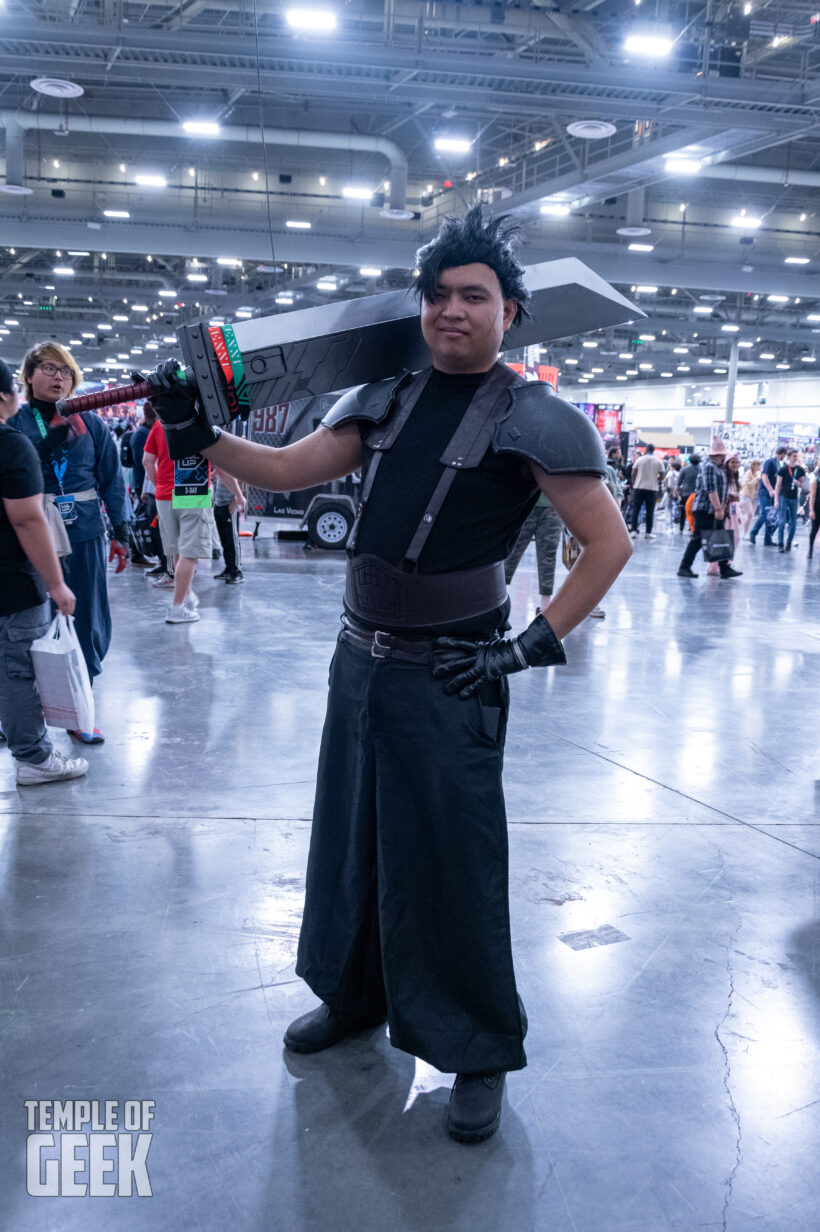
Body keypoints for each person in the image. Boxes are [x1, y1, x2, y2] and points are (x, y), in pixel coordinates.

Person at [147, 204, 633, 1144]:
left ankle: (479, 1047)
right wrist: (198, 434)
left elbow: (606, 545)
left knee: (453, 864)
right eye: (439, 295)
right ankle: (354, 996)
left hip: (453, 674)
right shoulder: (386, 397)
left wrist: (527, 644)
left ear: (511, 312)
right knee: (353, 838)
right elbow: (286, 470)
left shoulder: (537, 417)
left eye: (474, 297)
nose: (452, 311)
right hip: (357, 662)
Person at [10, 342, 132, 744]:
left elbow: (112, 480)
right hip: (28, 535)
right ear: (29, 376)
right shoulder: (16, 425)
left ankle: (81, 709)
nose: (58, 376)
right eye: (48, 368)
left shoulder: (92, 424)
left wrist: (122, 531)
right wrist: (49, 442)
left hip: (83, 532)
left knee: (88, 618)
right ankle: (18, 715)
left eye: (65, 371)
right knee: (22, 624)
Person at [0, 358, 88, 785]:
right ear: (8, 395)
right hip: (13, 581)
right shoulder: (10, 442)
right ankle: (34, 758)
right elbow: (27, 520)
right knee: (18, 670)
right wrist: (56, 583)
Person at [142, 416, 217, 622]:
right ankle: (177, 608)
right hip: (194, 491)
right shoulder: (204, 421)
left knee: (178, 551)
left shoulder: (160, 423)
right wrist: (238, 493)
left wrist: (160, 486)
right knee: (190, 552)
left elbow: (147, 461)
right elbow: (220, 461)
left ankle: (186, 594)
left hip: (164, 495)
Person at [677, 436, 742, 580]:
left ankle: (724, 568)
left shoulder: (715, 468)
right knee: (699, 539)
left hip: (711, 508)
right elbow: (711, 489)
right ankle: (684, 567)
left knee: (720, 537)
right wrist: (718, 508)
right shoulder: (710, 467)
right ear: (718, 455)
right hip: (706, 509)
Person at [213, 462, 247, 584]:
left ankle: (237, 571)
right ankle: (229, 568)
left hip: (229, 505)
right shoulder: (221, 460)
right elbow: (218, 473)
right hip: (219, 504)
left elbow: (241, 483)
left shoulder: (236, 463)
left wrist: (234, 504)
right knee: (225, 541)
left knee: (233, 540)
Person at [749, 445, 787, 546]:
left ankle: (768, 539)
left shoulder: (777, 463)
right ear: (782, 454)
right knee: (765, 514)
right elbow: (764, 476)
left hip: (772, 493)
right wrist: (770, 489)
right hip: (765, 493)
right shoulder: (770, 462)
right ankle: (753, 532)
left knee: (772, 517)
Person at [629, 444, 664, 539]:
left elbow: (633, 473)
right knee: (650, 511)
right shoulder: (658, 461)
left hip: (638, 488)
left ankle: (633, 531)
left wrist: (634, 484)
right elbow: (661, 476)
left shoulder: (639, 460)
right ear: (653, 450)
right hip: (652, 489)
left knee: (636, 510)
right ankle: (648, 532)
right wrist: (655, 478)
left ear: (646, 449)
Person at [774, 447, 805, 553]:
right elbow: (778, 485)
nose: (795, 458)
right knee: (782, 521)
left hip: (793, 498)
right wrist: (776, 500)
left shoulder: (800, 470)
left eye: (796, 456)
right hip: (783, 497)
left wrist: (799, 484)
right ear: (789, 457)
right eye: (793, 456)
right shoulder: (783, 469)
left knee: (793, 522)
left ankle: (788, 542)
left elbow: (803, 485)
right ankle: (780, 543)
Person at [676, 453, 700, 533]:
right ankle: (692, 528)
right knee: (695, 512)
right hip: (697, 494)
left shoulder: (684, 469)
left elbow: (679, 482)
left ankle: (681, 528)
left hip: (685, 493)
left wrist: (677, 490)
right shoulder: (702, 469)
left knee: (683, 511)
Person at [739, 459, 761, 537]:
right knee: (750, 514)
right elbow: (749, 485)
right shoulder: (748, 474)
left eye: (758, 464)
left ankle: (746, 532)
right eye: (755, 464)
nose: (757, 466)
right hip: (746, 495)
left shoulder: (759, 473)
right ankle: (744, 533)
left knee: (750, 516)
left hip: (754, 497)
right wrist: (757, 478)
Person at [808, 463, 820, 560]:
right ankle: (810, 549)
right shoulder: (815, 480)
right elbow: (812, 496)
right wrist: (811, 510)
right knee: (814, 529)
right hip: (817, 507)